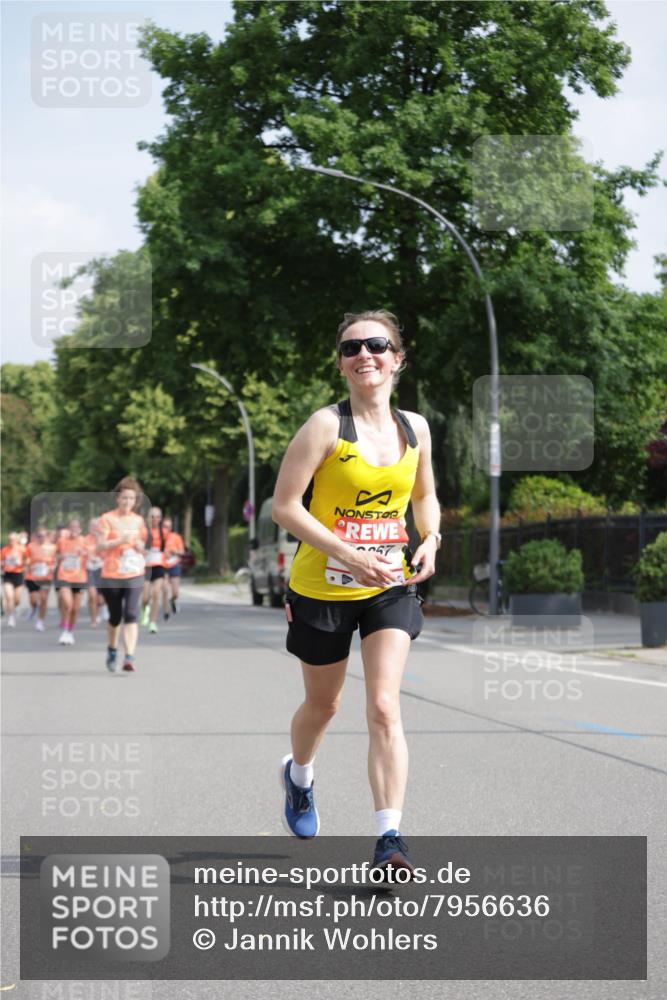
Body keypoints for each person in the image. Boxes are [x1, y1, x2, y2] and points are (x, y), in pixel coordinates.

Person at [272, 310, 441, 877]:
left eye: (376, 344)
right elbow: (285, 507)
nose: (364, 354)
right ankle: (299, 775)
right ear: (341, 364)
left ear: (398, 358)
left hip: (388, 584)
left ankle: (390, 838)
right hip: (321, 585)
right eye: (351, 348)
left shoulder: (415, 429)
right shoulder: (325, 427)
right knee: (324, 706)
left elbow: (424, 497)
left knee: (384, 706)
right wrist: (348, 554)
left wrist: (431, 537)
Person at [96, 477, 148, 672]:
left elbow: (141, 542)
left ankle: (129, 657)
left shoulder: (138, 520)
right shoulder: (107, 519)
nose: (127, 502)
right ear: (117, 498)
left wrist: (140, 546)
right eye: (124, 498)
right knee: (115, 616)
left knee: (132, 614)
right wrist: (119, 540)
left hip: (134, 572)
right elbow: (100, 546)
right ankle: (112, 649)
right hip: (112, 574)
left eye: (131, 499)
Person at [54, 519, 88, 645]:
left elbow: (93, 555)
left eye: (76, 527)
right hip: (64, 576)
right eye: (72, 527)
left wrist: (85, 553)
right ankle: (64, 631)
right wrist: (60, 557)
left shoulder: (84, 541)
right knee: (68, 604)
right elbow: (55, 555)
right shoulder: (62, 541)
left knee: (76, 608)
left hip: (80, 578)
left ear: (80, 529)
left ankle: (70, 631)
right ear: (69, 529)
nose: (74, 529)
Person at [24, 527, 56, 631]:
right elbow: (26, 559)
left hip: (46, 577)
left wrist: (53, 567)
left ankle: (40, 621)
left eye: (44, 536)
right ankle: (34, 609)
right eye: (39, 536)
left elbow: (56, 560)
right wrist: (27, 564)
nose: (42, 538)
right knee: (34, 600)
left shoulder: (52, 547)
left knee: (43, 599)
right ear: (36, 536)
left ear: (47, 536)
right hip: (32, 576)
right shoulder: (30, 546)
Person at [140, 507, 167, 634]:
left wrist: (168, 553)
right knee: (146, 598)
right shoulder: (143, 531)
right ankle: (144, 609)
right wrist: (142, 551)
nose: (155, 519)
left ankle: (153, 622)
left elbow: (168, 548)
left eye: (157, 517)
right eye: (152, 516)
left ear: (160, 518)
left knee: (156, 594)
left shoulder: (164, 532)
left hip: (159, 566)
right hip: (146, 567)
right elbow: (136, 545)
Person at [83, 519, 106, 627]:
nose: (94, 528)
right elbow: (82, 552)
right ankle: (93, 620)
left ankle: (101, 608)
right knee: (92, 595)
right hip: (89, 569)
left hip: (101, 569)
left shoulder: (103, 539)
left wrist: (99, 538)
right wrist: (88, 556)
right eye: (92, 526)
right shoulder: (85, 539)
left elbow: (107, 553)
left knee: (100, 599)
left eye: (96, 526)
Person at [161, 516, 184, 618]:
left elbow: (182, 552)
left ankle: (173, 600)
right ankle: (167, 611)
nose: (166, 529)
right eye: (164, 526)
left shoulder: (176, 537)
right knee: (165, 589)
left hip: (174, 565)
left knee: (175, 593)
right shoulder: (158, 537)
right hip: (162, 565)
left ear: (171, 528)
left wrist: (175, 552)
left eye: (168, 527)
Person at [1, 532, 26, 628]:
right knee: (9, 596)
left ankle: (14, 607)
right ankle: (11, 617)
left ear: (16, 540)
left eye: (13, 540)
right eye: (9, 540)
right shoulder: (4, 550)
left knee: (17, 599)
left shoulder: (22, 549)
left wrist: (21, 562)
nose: (11, 541)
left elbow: (27, 561)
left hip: (18, 574)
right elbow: (1, 561)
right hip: (8, 575)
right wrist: (2, 564)